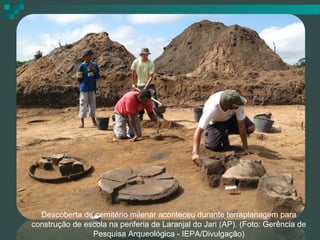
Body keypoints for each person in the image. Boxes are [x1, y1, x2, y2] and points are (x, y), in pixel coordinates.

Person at [192, 89, 258, 166]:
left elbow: (242, 126)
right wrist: (195, 153)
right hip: (216, 123)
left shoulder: (237, 103)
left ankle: (225, 131)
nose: (239, 106)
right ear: (226, 105)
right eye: (236, 105)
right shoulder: (212, 108)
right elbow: (199, 130)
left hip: (231, 118)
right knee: (213, 146)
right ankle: (222, 133)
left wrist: (246, 148)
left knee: (250, 128)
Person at [131, 47, 163, 119]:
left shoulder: (150, 63)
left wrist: (146, 87)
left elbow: (151, 77)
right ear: (141, 55)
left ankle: (158, 115)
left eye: (147, 54)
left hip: (150, 84)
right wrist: (134, 83)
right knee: (140, 99)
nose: (146, 56)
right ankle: (140, 115)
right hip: (140, 85)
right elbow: (133, 72)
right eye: (145, 54)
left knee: (154, 98)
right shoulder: (136, 62)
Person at [76, 49, 100, 128]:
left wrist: (94, 70)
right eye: (88, 56)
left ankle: (93, 121)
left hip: (92, 88)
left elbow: (97, 76)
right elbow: (79, 78)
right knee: (83, 104)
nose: (90, 57)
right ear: (85, 57)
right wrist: (84, 83)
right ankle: (82, 122)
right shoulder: (81, 66)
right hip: (84, 88)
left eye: (91, 55)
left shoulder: (94, 64)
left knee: (92, 104)